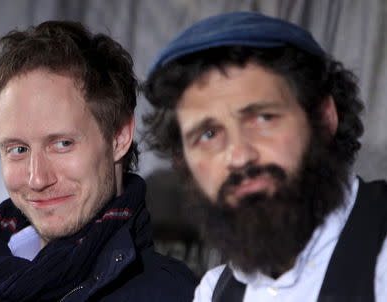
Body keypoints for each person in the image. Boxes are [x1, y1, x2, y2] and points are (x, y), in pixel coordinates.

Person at [0, 20, 197, 302]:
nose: (37, 179)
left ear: (119, 137)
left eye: (62, 144)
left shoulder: (172, 294)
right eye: (18, 149)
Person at [143, 11, 387, 301]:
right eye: (208, 135)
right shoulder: (213, 291)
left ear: (323, 119)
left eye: (263, 118)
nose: (239, 156)